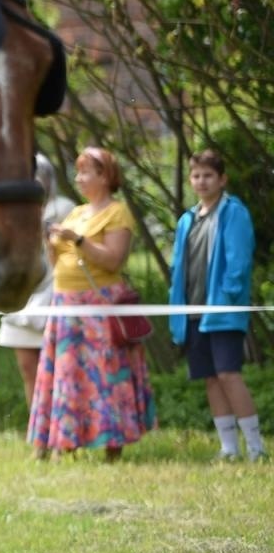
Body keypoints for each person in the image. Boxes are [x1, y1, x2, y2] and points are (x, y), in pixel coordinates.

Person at [29, 146, 156, 460]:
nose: (79, 178)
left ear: (105, 176)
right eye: (78, 172)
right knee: (67, 376)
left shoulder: (117, 213)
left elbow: (113, 260)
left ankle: (113, 444)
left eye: (86, 172)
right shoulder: (76, 213)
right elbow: (56, 263)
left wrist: (78, 240)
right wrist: (50, 243)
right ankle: (62, 441)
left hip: (100, 306)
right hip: (66, 305)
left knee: (106, 373)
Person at [168, 148, 263, 461]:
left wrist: (228, 295)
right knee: (210, 377)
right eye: (196, 175)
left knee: (228, 374)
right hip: (192, 312)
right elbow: (178, 266)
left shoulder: (235, 212)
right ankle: (229, 448)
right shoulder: (186, 219)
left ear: (222, 179)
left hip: (222, 311)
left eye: (208, 175)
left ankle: (256, 447)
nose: (201, 181)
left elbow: (239, 261)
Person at [0, 153, 76, 407]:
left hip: (55, 292)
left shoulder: (64, 208)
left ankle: (60, 423)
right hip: (23, 294)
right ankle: (37, 424)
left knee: (58, 371)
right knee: (28, 369)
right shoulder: (10, 211)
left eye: (39, 177)